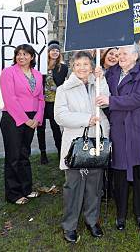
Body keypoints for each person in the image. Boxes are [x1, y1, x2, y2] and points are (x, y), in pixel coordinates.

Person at [98, 44, 140, 230]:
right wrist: (97, 77)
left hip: (139, 129)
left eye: (124, 53)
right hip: (119, 130)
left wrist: (112, 101)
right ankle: (120, 214)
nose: (119, 56)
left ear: (134, 56)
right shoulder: (110, 73)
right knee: (119, 173)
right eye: (117, 53)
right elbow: (102, 95)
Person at [54, 51, 109, 242]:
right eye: (78, 64)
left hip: (96, 142)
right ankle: (69, 225)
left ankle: (92, 220)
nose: (82, 68)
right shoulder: (64, 89)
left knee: (94, 186)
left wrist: (102, 79)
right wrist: (86, 119)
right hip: (76, 145)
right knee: (74, 186)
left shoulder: (97, 83)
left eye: (86, 64)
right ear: (73, 66)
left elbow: (106, 100)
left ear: (91, 66)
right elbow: (60, 116)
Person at [0, 44, 45, 205]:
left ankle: (26, 189)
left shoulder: (38, 75)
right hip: (13, 118)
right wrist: (25, 120)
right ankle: (13, 194)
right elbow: (10, 99)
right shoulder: (8, 72)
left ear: (32, 57)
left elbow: (41, 98)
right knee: (13, 156)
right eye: (18, 54)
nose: (21, 57)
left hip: (32, 118)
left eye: (25, 54)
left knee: (24, 155)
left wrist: (37, 118)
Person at [37, 40, 68, 165]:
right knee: (41, 129)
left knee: (56, 128)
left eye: (57, 50)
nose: (55, 52)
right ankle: (43, 153)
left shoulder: (62, 67)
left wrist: (53, 70)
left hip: (54, 102)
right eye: (52, 50)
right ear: (48, 52)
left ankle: (61, 152)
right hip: (41, 102)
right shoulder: (41, 66)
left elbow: (60, 82)